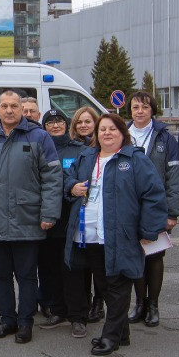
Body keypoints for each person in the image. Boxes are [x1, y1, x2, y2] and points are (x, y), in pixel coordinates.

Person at [0, 91, 62, 344]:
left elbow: (52, 179)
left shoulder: (40, 137)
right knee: (0, 275)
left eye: (14, 106)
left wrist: (49, 213)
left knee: (27, 275)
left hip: (27, 217)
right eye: (4, 106)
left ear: (22, 109)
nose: (9, 110)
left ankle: (25, 322)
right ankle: (7, 319)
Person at [63, 114, 167, 356]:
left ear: (122, 133)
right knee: (105, 285)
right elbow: (67, 178)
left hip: (121, 235)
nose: (106, 133)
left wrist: (149, 230)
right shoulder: (87, 157)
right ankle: (123, 333)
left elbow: (154, 194)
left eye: (112, 129)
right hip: (88, 235)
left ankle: (110, 337)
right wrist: (71, 187)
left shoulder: (134, 159)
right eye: (102, 130)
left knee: (118, 284)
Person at [126, 91, 179, 327]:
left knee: (155, 255)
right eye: (136, 107)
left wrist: (172, 212)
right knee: (137, 255)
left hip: (156, 206)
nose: (140, 111)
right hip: (130, 207)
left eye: (145, 107)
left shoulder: (165, 138)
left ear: (152, 110)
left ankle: (153, 306)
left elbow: (174, 175)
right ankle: (138, 304)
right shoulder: (122, 133)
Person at [36, 109, 86, 338]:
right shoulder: (40, 148)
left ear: (67, 125)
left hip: (71, 218)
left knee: (72, 269)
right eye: (49, 122)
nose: (55, 126)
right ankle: (57, 310)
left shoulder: (80, 150)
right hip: (47, 218)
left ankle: (78, 316)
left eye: (59, 121)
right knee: (51, 269)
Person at [69, 105, 104, 323]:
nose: (83, 125)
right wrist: (71, 185)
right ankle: (85, 301)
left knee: (99, 265)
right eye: (79, 122)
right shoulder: (72, 147)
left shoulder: (103, 148)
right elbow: (67, 176)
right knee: (81, 266)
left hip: (97, 216)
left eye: (88, 122)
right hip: (77, 214)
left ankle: (99, 303)